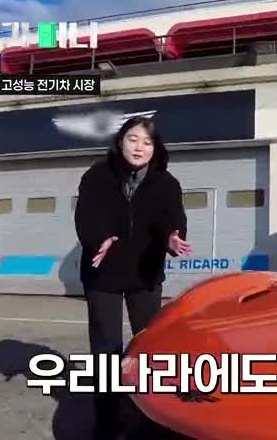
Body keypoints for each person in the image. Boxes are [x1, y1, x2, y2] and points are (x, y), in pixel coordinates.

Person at [74, 116, 192, 440]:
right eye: (133, 139)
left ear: (155, 148)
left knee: (149, 345)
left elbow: (173, 218)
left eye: (147, 142)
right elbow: (86, 216)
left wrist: (173, 237)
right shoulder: (96, 175)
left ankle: (151, 415)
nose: (139, 148)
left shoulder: (166, 182)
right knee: (106, 349)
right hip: (103, 273)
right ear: (120, 141)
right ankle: (107, 420)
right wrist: (100, 238)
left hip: (145, 273)